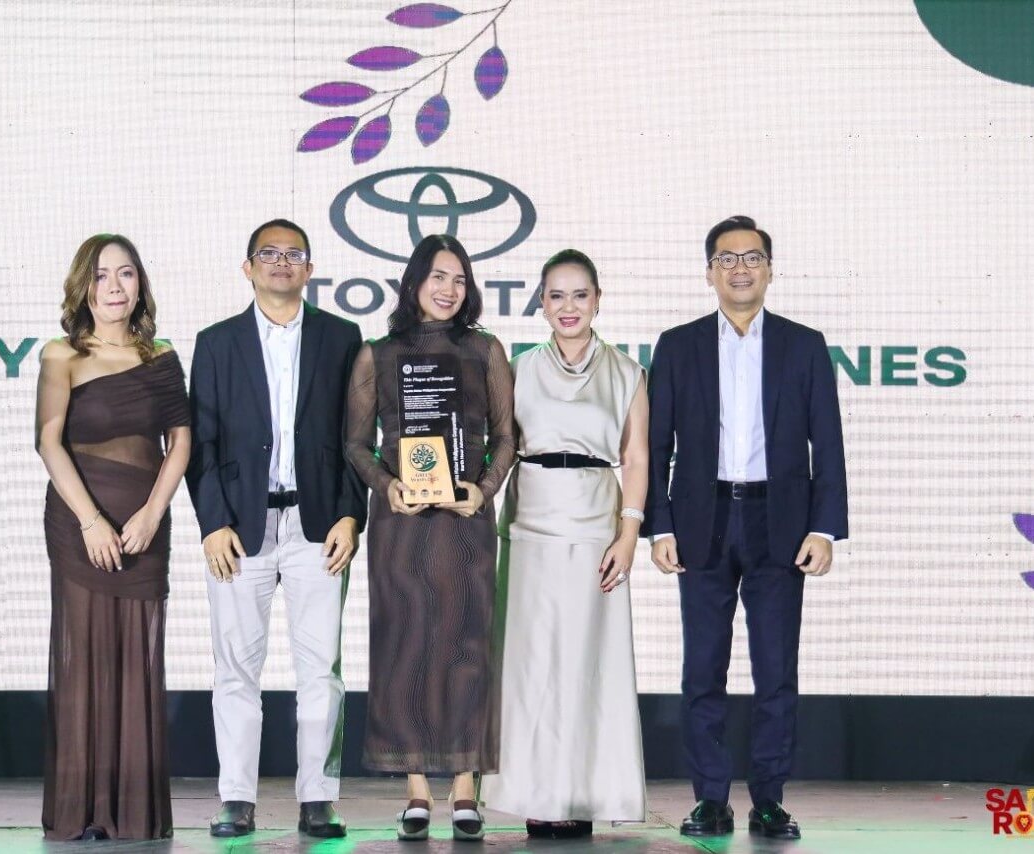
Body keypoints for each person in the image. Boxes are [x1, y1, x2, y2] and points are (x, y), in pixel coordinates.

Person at [643, 216, 848, 840]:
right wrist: (660, 525)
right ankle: (709, 798)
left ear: (769, 269)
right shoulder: (678, 345)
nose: (740, 268)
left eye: (752, 257)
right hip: (701, 518)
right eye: (727, 258)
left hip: (779, 523)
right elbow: (657, 447)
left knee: (775, 669)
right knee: (702, 668)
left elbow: (828, 444)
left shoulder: (803, 344)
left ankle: (768, 799)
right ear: (710, 272)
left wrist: (825, 529)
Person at [186, 218, 366, 839]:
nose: (281, 262)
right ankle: (236, 797)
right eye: (269, 253)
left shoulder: (343, 338)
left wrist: (351, 513)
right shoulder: (216, 343)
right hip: (240, 525)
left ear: (310, 270)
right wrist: (212, 524)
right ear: (248, 267)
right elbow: (200, 444)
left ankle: (318, 797)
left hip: (320, 525)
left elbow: (355, 438)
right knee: (236, 668)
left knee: (322, 668)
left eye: (294, 254)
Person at [344, 233, 515, 842]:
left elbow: (506, 436)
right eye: (439, 277)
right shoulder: (377, 355)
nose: (449, 290)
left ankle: (465, 786)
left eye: (460, 280)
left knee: (468, 643)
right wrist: (385, 484)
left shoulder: (486, 351)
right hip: (400, 525)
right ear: (414, 281)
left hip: (465, 520)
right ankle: (417, 789)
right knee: (405, 645)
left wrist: (484, 489)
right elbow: (356, 444)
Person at [483, 249, 648, 838]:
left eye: (580, 295)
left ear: (598, 299)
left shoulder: (627, 371)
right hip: (529, 522)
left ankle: (581, 794)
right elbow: (498, 445)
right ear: (542, 303)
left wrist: (629, 534)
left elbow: (636, 456)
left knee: (587, 662)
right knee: (531, 664)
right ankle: (536, 793)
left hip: (596, 525)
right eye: (556, 295)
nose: (568, 306)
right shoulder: (517, 366)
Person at [36, 234, 191, 840]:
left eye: (126, 275)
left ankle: (131, 811)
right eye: (103, 276)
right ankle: (82, 809)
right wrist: (91, 520)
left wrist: (153, 512)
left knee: (137, 656)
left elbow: (180, 442)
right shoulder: (62, 355)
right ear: (85, 285)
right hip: (80, 523)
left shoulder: (162, 355)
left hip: (144, 524)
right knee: (83, 653)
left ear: (140, 285)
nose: (115, 288)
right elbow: (49, 441)